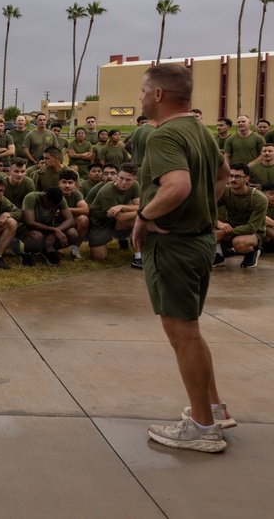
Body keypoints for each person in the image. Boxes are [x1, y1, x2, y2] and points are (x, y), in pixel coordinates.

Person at [134, 62, 233, 453]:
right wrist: (201, 209)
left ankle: (203, 428)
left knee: (183, 335)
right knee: (191, 330)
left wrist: (145, 216)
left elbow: (176, 187)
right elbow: (223, 176)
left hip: (174, 246)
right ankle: (214, 407)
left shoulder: (165, 135)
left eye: (143, 91)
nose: (141, 97)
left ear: (158, 94)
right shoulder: (200, 130)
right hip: (200, 241)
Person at [213, 163, 267, 268]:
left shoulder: (259, 198)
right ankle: (218, 255)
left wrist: (222, 232)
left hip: (253, 232)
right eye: (230, 176)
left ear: (247, 178)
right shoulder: (224, 191)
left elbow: (251, 228)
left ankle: (253, 252)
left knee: (239, 243)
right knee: (206, 224)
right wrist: (218, 223)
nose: (233, 179)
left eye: (237, 176)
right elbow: (207, 210)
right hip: (230, 227)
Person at [87, 162, 140, 261]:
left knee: (138, 220)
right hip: (99, 222)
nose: (123, 182)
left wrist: (121, 206)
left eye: (128, 180)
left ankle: (139, 256)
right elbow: (120, 217)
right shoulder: (107, 191)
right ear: (118, 176)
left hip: (115, 221)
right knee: (100, 257)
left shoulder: (135, 185)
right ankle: (119, 238)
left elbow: (139, 205)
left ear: (134, 179)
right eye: (121, 178)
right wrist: (141, 211)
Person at [21, 187, 76, 266]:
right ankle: (26, 253)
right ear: (44, 197)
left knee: (73, 233)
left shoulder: (60, 199)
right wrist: (54, 230)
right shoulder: (31, 197)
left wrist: (56, 231)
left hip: (47, 228)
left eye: (54, 206)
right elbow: (30, 222)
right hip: (30, 229)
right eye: (50, 205)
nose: (51, 208)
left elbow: (70, 220)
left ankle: (48, 250)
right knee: (37, 236)